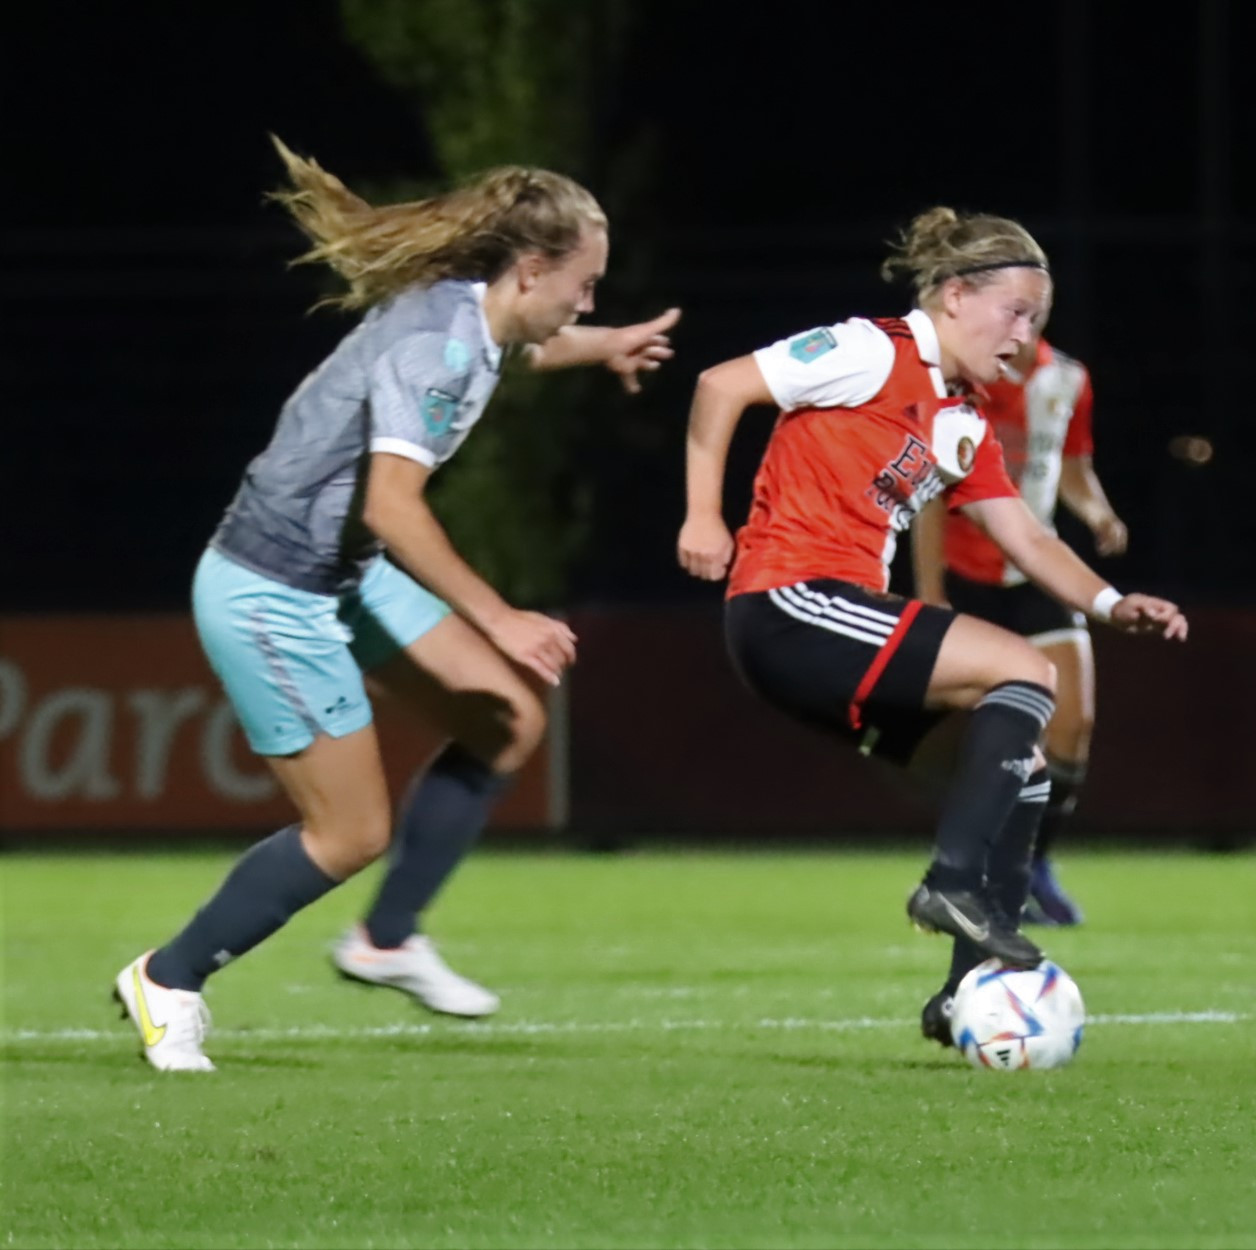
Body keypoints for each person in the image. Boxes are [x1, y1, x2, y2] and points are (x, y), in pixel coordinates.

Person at [113, 138, 681, 1071]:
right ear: (531, 268)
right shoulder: (439, 344)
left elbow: (526, 350)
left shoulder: (481, 317)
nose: (590, 301)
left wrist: (603, 344)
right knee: (349, 833)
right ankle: (169, 979)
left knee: (503, 720)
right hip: (272, 587)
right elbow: (390, 504)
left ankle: (385, 940)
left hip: (343, 570)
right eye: (585, 286)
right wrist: (500, 616)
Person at [675, 206, 1185, 1047]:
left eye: (1039, 321)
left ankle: (961, 995)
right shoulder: (873, 350)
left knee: (1024, 768)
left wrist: (1108, 603)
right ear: (953, 296)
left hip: (836, 625)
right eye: (1014, 313)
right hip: (788, 602)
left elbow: (1024, 533)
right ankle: (951, 884)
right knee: (1027, 671)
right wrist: (702, 515)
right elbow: (720, 384)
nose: (1024, 335)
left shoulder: (963, 416)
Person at [909, 320, 1126, 924]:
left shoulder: (1068, 378)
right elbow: (931, 493)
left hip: (1038, 570)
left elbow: (1073, 469)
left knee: (1072, 726)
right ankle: (972, 871)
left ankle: (1035, 867)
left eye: (1031, 308)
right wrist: (929, 590)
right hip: (966, 573)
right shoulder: (963, 380)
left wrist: (1099, 513)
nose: (1018, 321)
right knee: (995, 738)